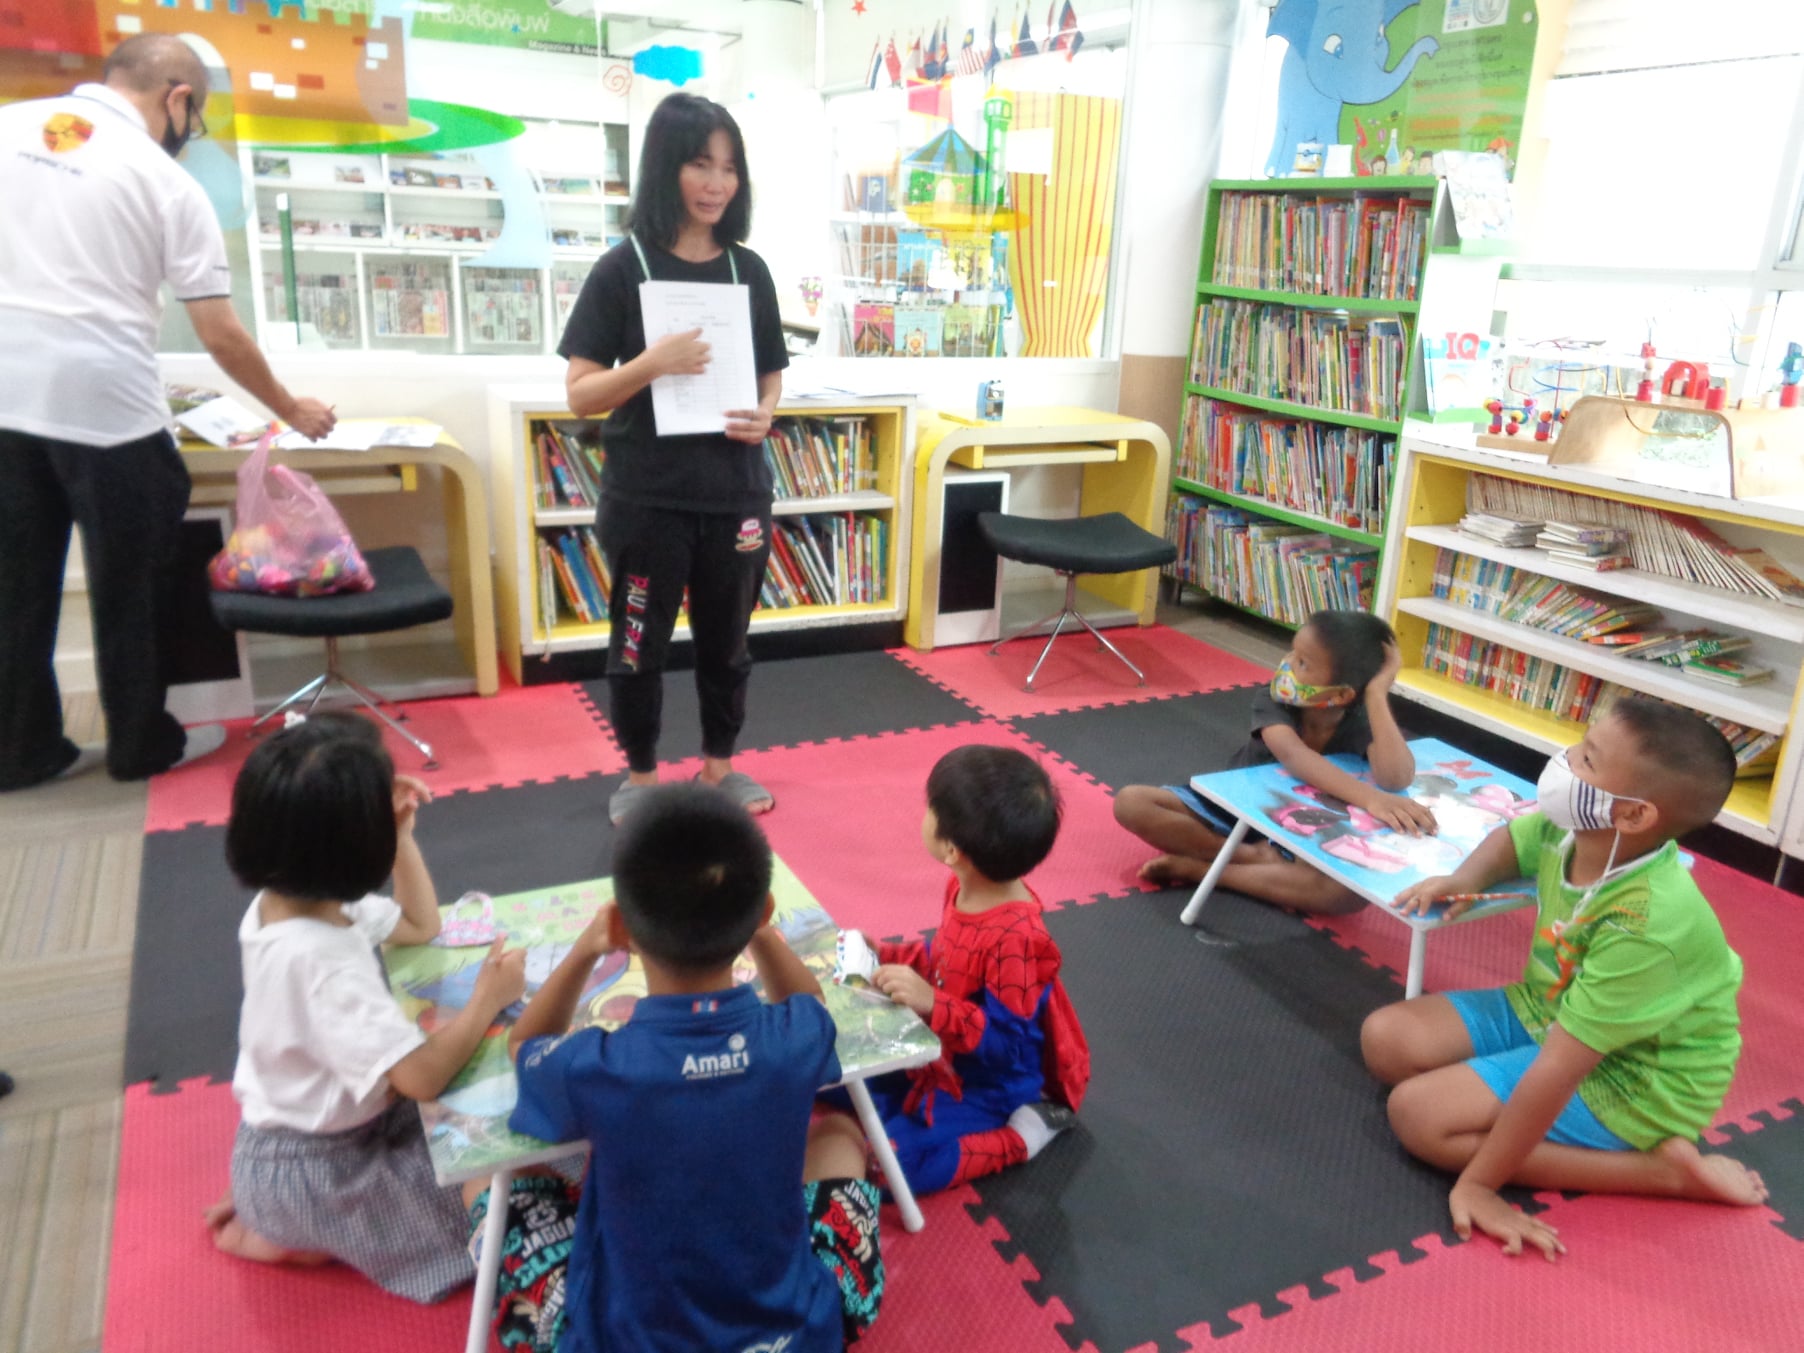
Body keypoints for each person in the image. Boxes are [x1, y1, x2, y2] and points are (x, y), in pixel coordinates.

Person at [0, 33, 336, 793]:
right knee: (136, 582)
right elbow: (219, 330)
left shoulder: (11, 128)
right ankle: (140, 744)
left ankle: (19, 750)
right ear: (177, 98)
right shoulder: (163, 180)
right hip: (106, 408)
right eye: (198, 118)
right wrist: (291, 408)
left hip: (4, 400)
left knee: (14, 584)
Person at [479, 783, 882, 1351]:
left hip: (628, 1341)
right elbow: (809, 1002)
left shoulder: (595, 1066)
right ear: (763, 911)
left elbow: (526, 1046)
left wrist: (588, 948)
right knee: (841, 1132)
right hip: (792, 1335)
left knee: (494, 1179)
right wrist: (757, 928)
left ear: (624, 928)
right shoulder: (795, 1038)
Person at [1364, 697, 1768, 1260]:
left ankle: (1660, 1174)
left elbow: (1558, 1070)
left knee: (1418, 1116)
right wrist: (1459, 878)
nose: (1564, 761)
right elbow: (1516, 839)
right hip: (1550, 1008)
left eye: (1587, 760)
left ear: (1632, 814)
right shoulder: (1573, 830)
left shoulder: (1646, 922)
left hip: (1639, 1076)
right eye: (1580, 744)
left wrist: (1481, 1184)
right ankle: (1492, 1102)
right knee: (1387, 1038)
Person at [203, 713, 527, 1302]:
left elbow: (420, 924)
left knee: (483, 1111)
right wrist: (486, 998)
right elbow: (422, 1078)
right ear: (350, 851)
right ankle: (286, 1231)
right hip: (324, 1172)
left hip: (299, 1141)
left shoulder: (291, 899)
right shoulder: (322, 958)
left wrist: (400, 837)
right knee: (506, 1186)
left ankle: (274, 1210)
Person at [558, 92, 789, 825]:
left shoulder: (748, 270)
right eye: (700, 164)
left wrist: (768, 410)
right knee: (637, 643)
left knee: (729, 643)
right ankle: (641, 773)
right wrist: (651, 363)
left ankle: (720, 767)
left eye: (729, 167)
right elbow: (581, 395)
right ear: (666, 169)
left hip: (734, 492)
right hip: (649, 495)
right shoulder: (621, 269)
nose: (718, 183)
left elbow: (771, 367)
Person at [859, 745, 1091, 1195]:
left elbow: (1006, 1045)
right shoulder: (964, 883)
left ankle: (1023, 1137)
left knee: (885, 1169)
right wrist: (885, 955)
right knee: (823, 1070)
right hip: (939, 1045)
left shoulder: (1018, 938)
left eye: (930, 808)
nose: (922, 812)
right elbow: (944, 959)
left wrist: (932, 1002)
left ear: (952, 849)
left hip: (988, 1084)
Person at [1113, 609, 1436, 912]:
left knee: (1347, 896)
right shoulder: (1274, 698)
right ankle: (1250, 857)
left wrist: (1377, 694)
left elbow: (1397, 777)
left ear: (1341, 695)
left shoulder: (1360, 718)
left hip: (1301, 831)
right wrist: (1371, 799)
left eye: (1303, 663)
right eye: (1292, 652)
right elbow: (1293, 755)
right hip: (1236, 809)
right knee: (1130, 802)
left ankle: (1202, 870)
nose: (1287, 664)